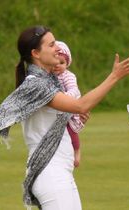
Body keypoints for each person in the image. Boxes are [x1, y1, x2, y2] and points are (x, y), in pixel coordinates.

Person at [0, 25, 129, 210]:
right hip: (51, 173)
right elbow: (81, 105)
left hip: (59, 172)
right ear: (36, 53)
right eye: (52, 45)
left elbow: (69, 114)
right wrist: (114, 76)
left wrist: (75, 119)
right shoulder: (36, 84)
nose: (57, 49)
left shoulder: (49, 81)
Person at [53, 40, 87, 168]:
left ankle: (77, 151)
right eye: (55, 62)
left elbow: (74, 90)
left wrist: (63, 98)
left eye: (62, 63)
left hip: (69, 107)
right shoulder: (48, 76)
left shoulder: (68, 76)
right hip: (57, 110)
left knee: (71, 130)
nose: (58, 65)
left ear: (67, 63)